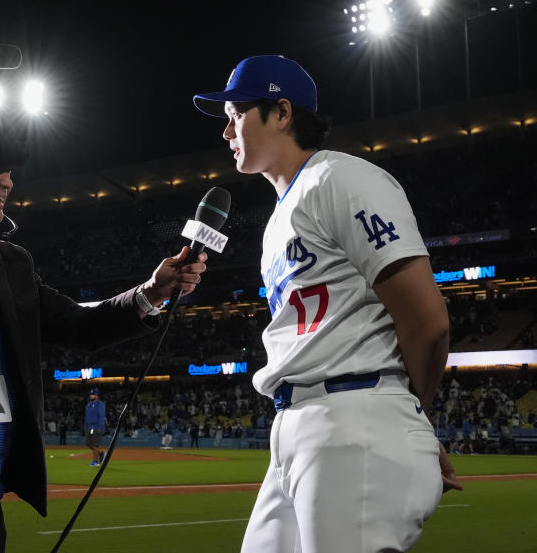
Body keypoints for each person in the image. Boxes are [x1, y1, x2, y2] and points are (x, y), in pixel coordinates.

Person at [192, 55, 461, 553]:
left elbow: (428, 320)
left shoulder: (341, 177)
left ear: (282, 112)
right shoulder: (279, 217)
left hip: (354, 417)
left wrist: (411, 417)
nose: (227, 131)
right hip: (298, 423)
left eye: (236, 114)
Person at [0, 163, 208, 553]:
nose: (8, 181)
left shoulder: (13, 263)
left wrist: (152, 292)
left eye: (10, 172)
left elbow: (79, 324)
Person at [85, 388, 107, 463]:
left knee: (95, 445)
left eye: (93, 394)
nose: (91, 396)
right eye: (91, 394)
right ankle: (101, 453)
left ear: (97, 396)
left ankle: (95, 461)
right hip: (89, 427)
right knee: (88, 443)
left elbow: (101, 417)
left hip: (96, 427)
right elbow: (87, 416)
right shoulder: (89, 404)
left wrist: (100, 427)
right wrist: (85, 426)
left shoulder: (100, 404)